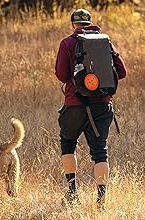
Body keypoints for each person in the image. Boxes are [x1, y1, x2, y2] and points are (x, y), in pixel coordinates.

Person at [55, 8, 127, 209]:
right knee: (100, 151)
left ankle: (72, 193)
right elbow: (122, 72)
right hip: (103, 104)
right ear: (90, 23)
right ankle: (101, 201)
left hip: (75, 104)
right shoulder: (105, 41)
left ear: (73, 25)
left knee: (68, 143)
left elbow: (61, 75)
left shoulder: (68, 43)